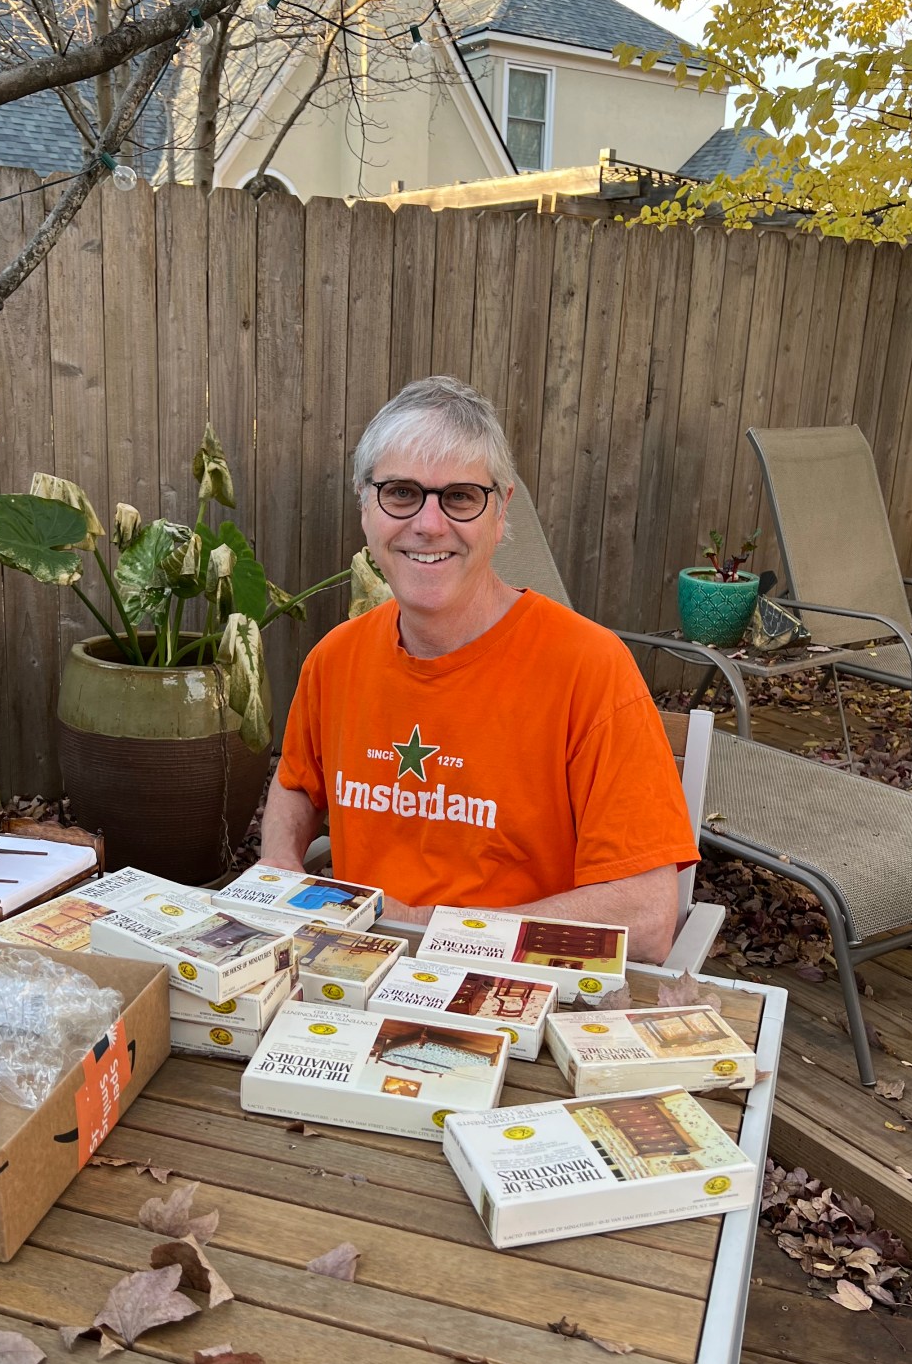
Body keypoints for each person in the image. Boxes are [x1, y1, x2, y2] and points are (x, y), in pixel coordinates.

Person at [260, 376, 698, 962]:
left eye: (461, 497)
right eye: (400, 493)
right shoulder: (334, 659)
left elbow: (643, 919)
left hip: (521, 988)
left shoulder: (588, 669)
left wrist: (423, 927)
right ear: (365, 505)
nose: (429, 524)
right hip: (351, 976)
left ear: (501, 510)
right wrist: (280, 864)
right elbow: (296, 782)